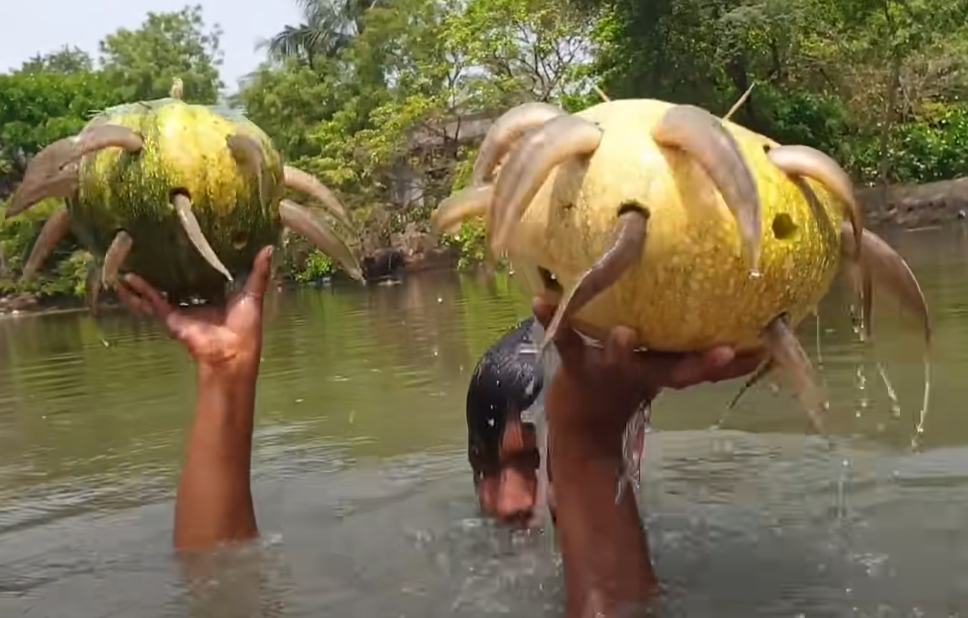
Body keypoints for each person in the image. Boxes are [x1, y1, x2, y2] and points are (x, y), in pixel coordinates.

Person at [116, 245, 765, 618]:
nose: (509, 501)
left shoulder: (717, 556)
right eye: (488, 468)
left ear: (636, 448)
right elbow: (220, 584)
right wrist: (227, 381)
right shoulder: (432, 560)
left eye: (540, 462)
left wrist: (591, 447)